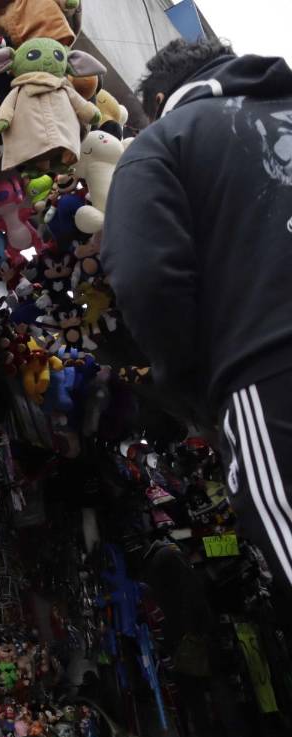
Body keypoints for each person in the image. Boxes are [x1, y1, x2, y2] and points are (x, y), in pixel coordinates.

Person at [102, 39, 292, 594]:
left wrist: (190, 390)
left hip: (271, 371)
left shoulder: (163, 142)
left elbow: (144, 276)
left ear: (160, 97)